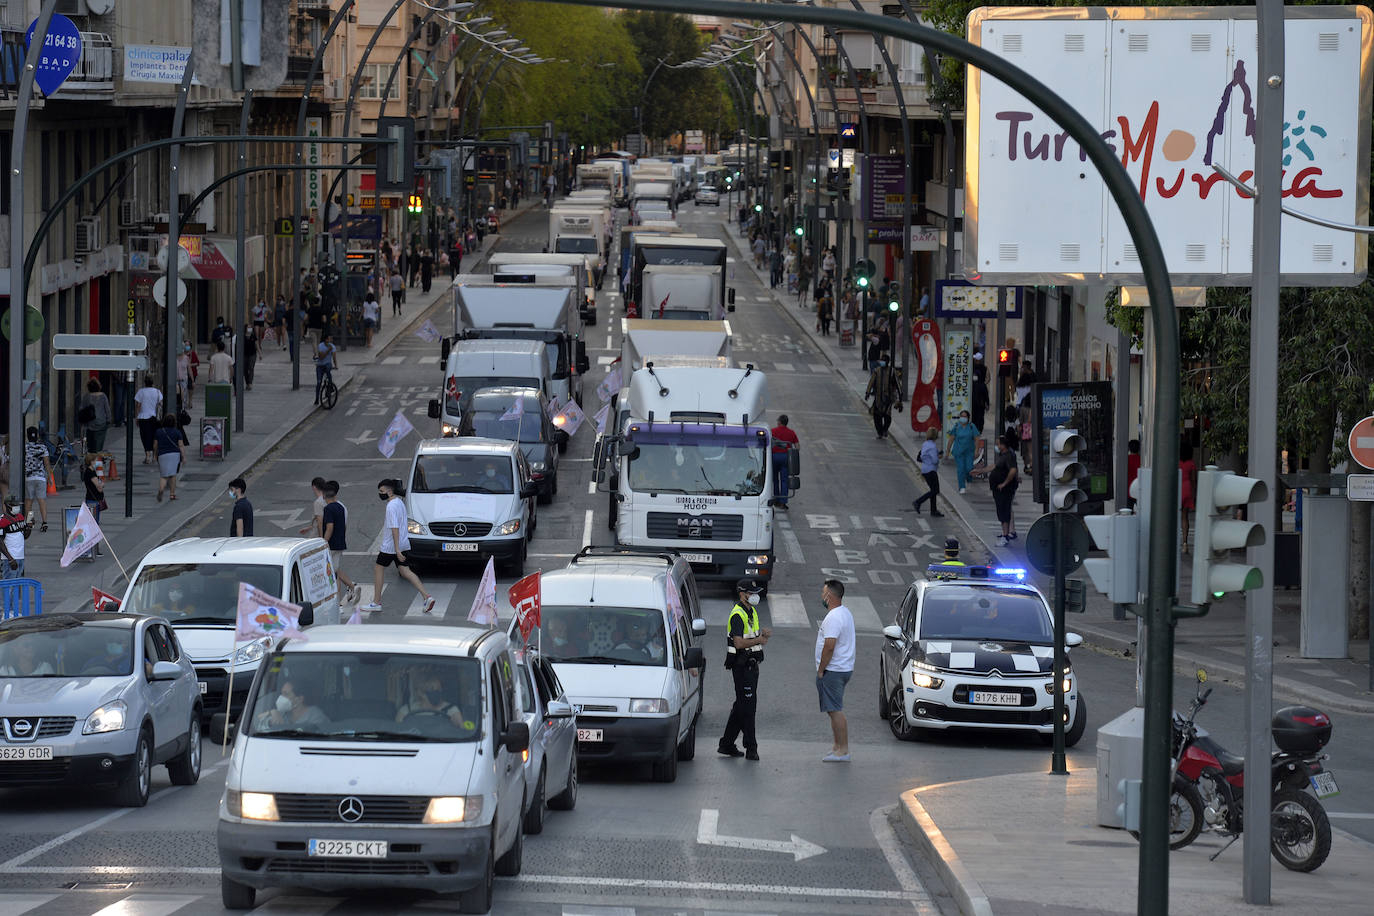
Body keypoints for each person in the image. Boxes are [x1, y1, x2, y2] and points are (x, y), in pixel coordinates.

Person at [360, 478, 435, 615]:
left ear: (390, 491)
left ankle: (376, 602)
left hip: (391, 546)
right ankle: (427, 597)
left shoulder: (391, 506)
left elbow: (394, 528)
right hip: (403, 543)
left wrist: (397, 549)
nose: (380, 494)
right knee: (406, 571)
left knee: (378, 568)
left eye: (382, 491)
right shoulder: (399, 502)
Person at [718, 578, 770, 761]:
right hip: (742, 667)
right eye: (752, 593)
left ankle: (726, 744)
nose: (755, 596)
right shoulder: (738, 615)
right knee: (748, 707)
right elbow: (739, 642)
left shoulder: (751, 612)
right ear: (742, 594)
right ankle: (751, 747)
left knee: (742, 706)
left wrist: (762, 636)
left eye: (756, 593)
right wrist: (759, 640)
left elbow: (752, 638)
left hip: (751, 665)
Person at [816, 578, 855, 762]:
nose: (822, 596)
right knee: (833, 709)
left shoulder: (833, 617)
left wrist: (821, 670)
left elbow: (829, 646)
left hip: (834, 670)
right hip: (842, 668)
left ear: (829, 595)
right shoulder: (844, 612)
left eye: (823, 593)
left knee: (835, 710)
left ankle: (843, 751)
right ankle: (837, 747)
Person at [321, 481, 362, 607]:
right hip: (340, 543)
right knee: (335, 571)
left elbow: (329, 527)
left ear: (323, 495)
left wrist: (323, 542)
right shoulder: (341, 507)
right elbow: (344, 526)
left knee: (332, 574)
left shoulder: (328, 509)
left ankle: (337, 602)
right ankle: (350, 588)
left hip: (330, 545)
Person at [980, 433, 1020, 545]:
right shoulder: (1003, 455)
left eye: (998, 444)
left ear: (1003, 445)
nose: (996, 446)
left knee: (1004, 510)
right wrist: (981, 471)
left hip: (1004, 489)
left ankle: (1006, 535)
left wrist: (1004, 483)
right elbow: (995, 466)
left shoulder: (1009, 455)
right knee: (1004, 510)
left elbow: (1013, 470)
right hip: (999, 489)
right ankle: (1006, 533)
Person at [397, 672, 468, 729]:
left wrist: (456, 725)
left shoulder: (451, 710)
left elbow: (462, 730)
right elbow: (398, 732)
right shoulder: (406, 711)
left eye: (439, 689)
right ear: (420, 693)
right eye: (432, 690)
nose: (437, 692)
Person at [255, 680, 329, 731]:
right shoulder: (282, 713)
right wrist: (272, 712)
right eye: (282, 693)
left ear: (299, 699)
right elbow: (257, 722)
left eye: (286, 694)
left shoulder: (315, 716)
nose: (281, 697)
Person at [864, 359, 903, 440]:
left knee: (887, 415)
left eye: (883, 361)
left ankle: (885, 429)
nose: (882, 362)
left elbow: (898, 384)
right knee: (876, 415)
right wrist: (867, 392)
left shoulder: (892, 372)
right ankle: (880, 432)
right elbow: (871, 381)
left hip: (889, 398)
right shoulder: (877, 371)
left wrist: (900, 397)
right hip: (878, 397)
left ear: (887, 362)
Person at [22, 427, 51, 532]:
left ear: (27, 436)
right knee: (41, 500)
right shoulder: (43, 447)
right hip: (41, 478)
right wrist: (50, 477)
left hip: (28, 477)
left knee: (29, 501)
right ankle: (44, 523)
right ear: (37, 435)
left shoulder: (24, 447)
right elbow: (47, 463)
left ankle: (29, 522)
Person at [154, 414, 187, 503]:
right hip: (174, 455)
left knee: (164, 475)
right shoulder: (177, 432)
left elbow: (155, 445)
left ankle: (161, 489)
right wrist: (183, 457)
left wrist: (155, 455)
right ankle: (172, 494)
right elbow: (181, 445)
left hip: (162, 455)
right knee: (173, 475)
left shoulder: (159, 431)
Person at [912, 428, 945, 517]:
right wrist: (939, 457)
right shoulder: (933, 446)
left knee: (933, 490)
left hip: (925, 470)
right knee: (935, 490)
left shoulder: (925, 444)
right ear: (936, 436)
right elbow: (934, 460)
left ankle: (933, 510)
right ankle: (918, 502)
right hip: (931, 470)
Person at [946, 409, 978, 494]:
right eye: (961, 416)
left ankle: (969, 479)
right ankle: (962, 487)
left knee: (969, 468)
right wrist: (947, 451)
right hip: (959, 452)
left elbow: (976, 439)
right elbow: (951, 439)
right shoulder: (956, 426)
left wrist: (976, 450)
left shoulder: (972, 426)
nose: (963, 418)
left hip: (969, 452)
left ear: (968, 418)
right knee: (960, 469)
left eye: (965, 416)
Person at [769, 414, 798, 509]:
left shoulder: (772, 431)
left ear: (779, 422)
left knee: (775, 479)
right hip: (786, 458)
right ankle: (783, 502)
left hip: (774, 457)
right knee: (784, 480)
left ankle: (776, 500)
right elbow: (798, 447)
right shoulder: (791, 433)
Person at [134, 376, 163, 465]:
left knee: (145, 437)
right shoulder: (157, 392)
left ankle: (147, 456)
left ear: (144, 383)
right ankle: (154, 456)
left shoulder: (141, 392)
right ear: (152, 382)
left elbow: (138, 405)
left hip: (143, 417)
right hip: (154, 418)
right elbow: (161, 403)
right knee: (154, 437)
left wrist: (137, 417)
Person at [0, 495, 29, 579]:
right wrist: (10, 559)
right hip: (10, 558)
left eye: (17, 505)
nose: (16, 507)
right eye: (14, 505)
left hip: (20, 556)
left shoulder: (20, 517)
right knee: (9, 585)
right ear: (6, 506)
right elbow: (0, 541)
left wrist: (29, 527)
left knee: (17, 584)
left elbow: (25, 536)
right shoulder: (2, 521)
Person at [79, 379, 112, 453]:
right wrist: (108, 420)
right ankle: (97, 459)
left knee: (90, 445)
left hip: (90, 424)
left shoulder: (86, 397)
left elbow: (81, 410)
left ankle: (91, 458)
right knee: (98, 446)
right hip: (101, 423)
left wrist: (83, 424)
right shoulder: (103, 396)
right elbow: (107, 409)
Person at [81, 453, 106, 550]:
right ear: (91, 462)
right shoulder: (90, 473)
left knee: (93, 524)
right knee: (94, 525)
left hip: (92, 500)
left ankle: (93, 548)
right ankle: (94, 548)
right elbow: (99, 487)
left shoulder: (90, 471)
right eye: (95, 460)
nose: (97, 462)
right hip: (93, 501)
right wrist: (102, 484)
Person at [1179, 441, 1197, 554]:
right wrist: (1194, 494)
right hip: (1188, 489)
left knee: (1176, 517)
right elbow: (1194, 480)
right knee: (1185, 517)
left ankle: (1175, 541)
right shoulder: (1192, 464)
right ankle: (1185, 543)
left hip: (1178, 488)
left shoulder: (1177, 462)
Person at [314, 331, 338, 405]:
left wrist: (336, 365)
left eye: (330, 339)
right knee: (319, 382)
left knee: (328, 369)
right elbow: (321, 357)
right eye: (329, 339)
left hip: (327, 364)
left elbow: (334, 357)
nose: (330, 340)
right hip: (320, 365)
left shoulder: (333, 346)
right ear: (325, 340)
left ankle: (330, 386)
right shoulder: (320, 346)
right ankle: (317, 398)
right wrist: (328, 350)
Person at [1126, 439, 1142, 510]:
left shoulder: (1126, 460)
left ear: (1129, 448)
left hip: (1128, 490)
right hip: (1140, 490)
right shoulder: (1142, 460)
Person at [242, 324, 258, 391]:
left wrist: (260, 354)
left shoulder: (253, 335)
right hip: (244, 355)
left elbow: (256, 344)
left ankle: (250, 383)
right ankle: (247, 382)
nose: (249, 329)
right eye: (248, 327)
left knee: (251, 368)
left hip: (252, 354)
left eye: (251, 327)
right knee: (245, 369)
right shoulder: (242, 336)